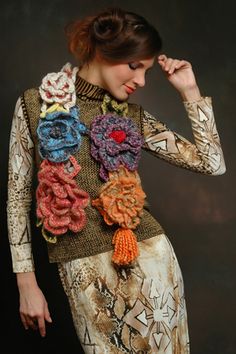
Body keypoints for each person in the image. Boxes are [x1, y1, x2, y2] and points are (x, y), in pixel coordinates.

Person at [7, 6, 226, 354]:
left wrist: (190, 91)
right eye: (135, 66)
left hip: (153, 262)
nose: (141, 80)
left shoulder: (133, 118)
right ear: (103, 52)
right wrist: (26, 283)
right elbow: (18, 198)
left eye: (147, 70)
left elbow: (212, 163)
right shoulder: (35, 107)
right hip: (84, 270)